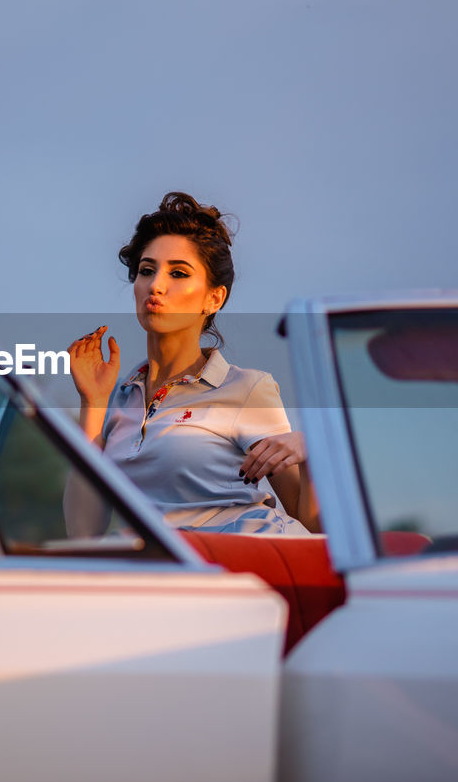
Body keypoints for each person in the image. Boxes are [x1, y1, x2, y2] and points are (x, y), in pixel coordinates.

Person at [65, 192, 319, 536]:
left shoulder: (246, 389)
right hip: (170, 580)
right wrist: (93, 403)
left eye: (179, 273)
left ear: (214, 298)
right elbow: (84, 534)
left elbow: (312, 526)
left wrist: (311, 449)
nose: (156, 285)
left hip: (244, 569)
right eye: (146, 270)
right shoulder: (120, 400)